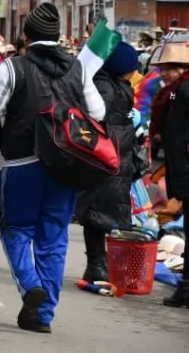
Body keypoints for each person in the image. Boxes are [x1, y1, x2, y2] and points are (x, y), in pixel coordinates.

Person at [0, 2, 105, 333]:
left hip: (22, 161)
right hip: (66, 164)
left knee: (15, 228)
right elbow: (98, 111)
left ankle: (30, 282)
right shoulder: (77, 68)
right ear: (58, 36)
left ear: (26, 35)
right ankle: (44, 313)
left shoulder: (12, 66)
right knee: (54, 236)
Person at [77, 42, 141, 283]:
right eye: (131, 68)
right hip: (106, 156)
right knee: (97, 212)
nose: (134, 73)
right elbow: (97, 119)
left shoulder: (116, 85)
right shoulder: (105, 87)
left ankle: (100, 264)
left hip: (117, 155)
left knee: (104, 210)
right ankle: (96, 264)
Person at [149, 41, 189, 307]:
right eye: (163, 68)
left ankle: (185, 290)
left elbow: (179, 139)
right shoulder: (174, 93)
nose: (164, 73)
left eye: (171, 68)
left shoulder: (183, 92)